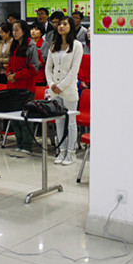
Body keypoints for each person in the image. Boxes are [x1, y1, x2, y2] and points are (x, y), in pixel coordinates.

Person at [45, 16, 83, 164]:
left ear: (71, 26)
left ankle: (71, 153)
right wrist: (51, 84)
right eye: (59, 24)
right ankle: (61, 151)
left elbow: (74, 71)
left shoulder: (77, 45)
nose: (61, 26)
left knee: (71, 122)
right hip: (54, 89)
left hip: (69, 90)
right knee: (59, 122)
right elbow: (48, 68)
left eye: (64, 24)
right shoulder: (53, 45)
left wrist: (60, 86)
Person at [6, 20, 39, 154]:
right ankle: (19, 142)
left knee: (25, 119)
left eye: (17, 30)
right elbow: (9, 63)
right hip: (12, 86)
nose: (14, 33)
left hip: (26, 88)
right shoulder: (13, 45)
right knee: (14, 118)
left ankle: (27, 145)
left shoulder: (31, 46)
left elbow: (34, 69)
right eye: (13, 30)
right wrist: (8, 73)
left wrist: (16, 75)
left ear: (24, 31)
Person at [30, 21, 49, 86]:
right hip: (28, 76)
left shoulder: (45, 44)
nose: (33, 31)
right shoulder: (27, 43)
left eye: (36, 29)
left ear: (41, 33)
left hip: (39, 76)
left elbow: (42, 62)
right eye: (32, 29)